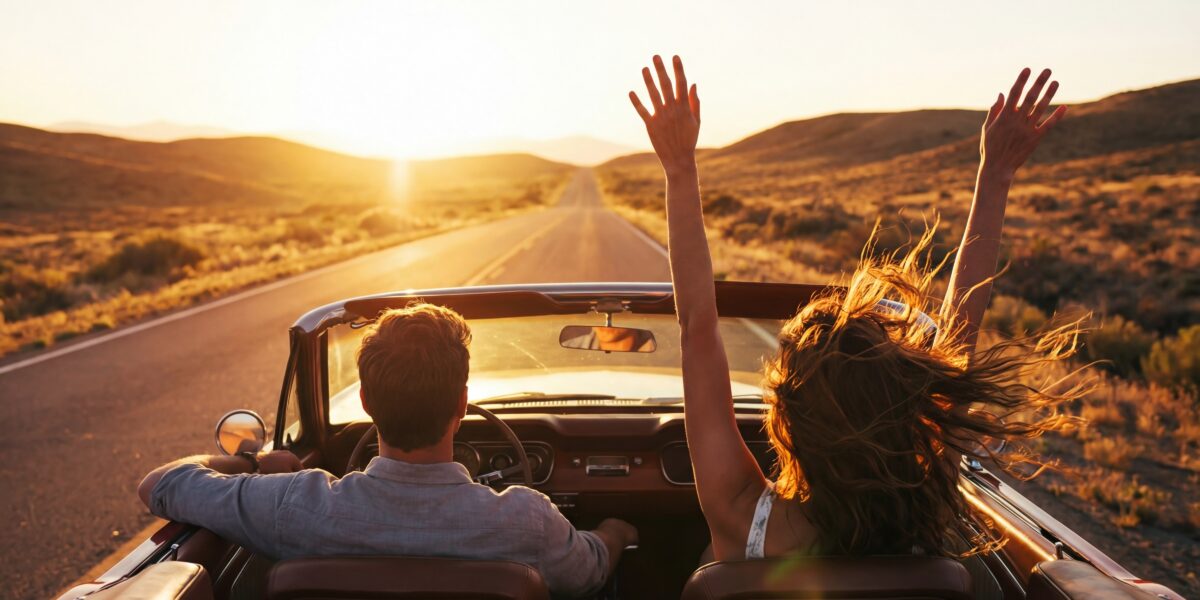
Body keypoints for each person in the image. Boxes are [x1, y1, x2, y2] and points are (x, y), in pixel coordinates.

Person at [629, 55, 1080, 559]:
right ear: (906, 413)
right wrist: (995, 175)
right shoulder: (929, 505)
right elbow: (959, 332)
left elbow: (697, 326)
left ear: (789, 420)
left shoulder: (743, 517)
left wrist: (679, 167)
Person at [138, 303, 637, 597]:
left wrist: (253, 461)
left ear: (366, 402)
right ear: (461, 404)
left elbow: (159, 484)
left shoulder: (296, 506)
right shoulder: (526, 521)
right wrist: (618, 529)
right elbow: (590, 573)